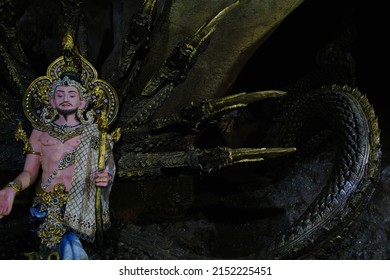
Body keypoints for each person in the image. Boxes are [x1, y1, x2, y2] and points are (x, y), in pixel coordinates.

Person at [0, 52, 117, 259]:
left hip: (79, 208)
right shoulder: (40, 133)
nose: (65, 99)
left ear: (82, 102)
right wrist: (12, 188)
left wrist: (105, 178)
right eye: (60, 94)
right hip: (44, 207)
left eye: (71, 94)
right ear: (52, 101)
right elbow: (29, 172)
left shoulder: (94, 134)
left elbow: (106, 167)